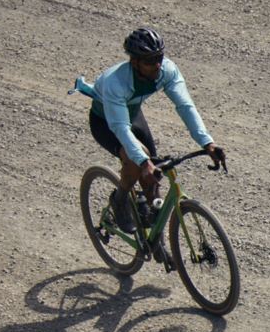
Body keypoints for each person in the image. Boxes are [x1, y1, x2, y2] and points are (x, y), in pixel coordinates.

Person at [87, 27, 224, 233]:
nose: (157, 65)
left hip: (132, 114)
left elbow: (185, 106)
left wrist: (207, 142)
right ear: (134, 62)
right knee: (138, 159)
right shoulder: (115, 82)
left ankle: (155, 239)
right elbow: (121, 129)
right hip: (106, 121)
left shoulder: (166, 70)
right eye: (150, 61)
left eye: (159, 57)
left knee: (153, 182)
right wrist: (143, 162)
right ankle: (120, 199)